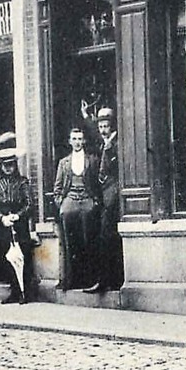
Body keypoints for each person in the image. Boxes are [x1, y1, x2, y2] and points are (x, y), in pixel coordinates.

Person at [0, 132, 34, 304]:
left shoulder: (23, 182)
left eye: (11, 165)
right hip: (4, 224)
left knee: (24, 256)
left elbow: (29, 204)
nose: (8, 168)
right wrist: (1, 218)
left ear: (15, 165)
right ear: (1, 166)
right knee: (6, 256)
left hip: (19, 224)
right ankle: (14, 290)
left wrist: (18, 216)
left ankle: (25, 292)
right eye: (5, 166)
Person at [53, 127, 100, 291]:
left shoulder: (92, 160)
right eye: (74, 139)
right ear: (70, 141)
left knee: (89, 240)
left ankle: (89, 279)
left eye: (80, 139)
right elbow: (57, 187)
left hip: (87, 199)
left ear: (84, 141)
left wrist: (95, 202)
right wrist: (61, 203)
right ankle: (72, 280)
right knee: (70, 242)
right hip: (70, 201)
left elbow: (97, 182)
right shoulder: (63, 162)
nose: (78, 142)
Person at [85, 107, 124, 294]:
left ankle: (108, 281)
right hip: (103, 195)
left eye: (106, 126)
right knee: (103, 237)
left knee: (107, 238)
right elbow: (93, 134)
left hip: (112, 195)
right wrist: (86, 117)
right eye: (100, 126)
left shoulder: (115, 144)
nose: (102, 130)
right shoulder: (104, 142)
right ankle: (106, 280)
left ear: (112, 126)